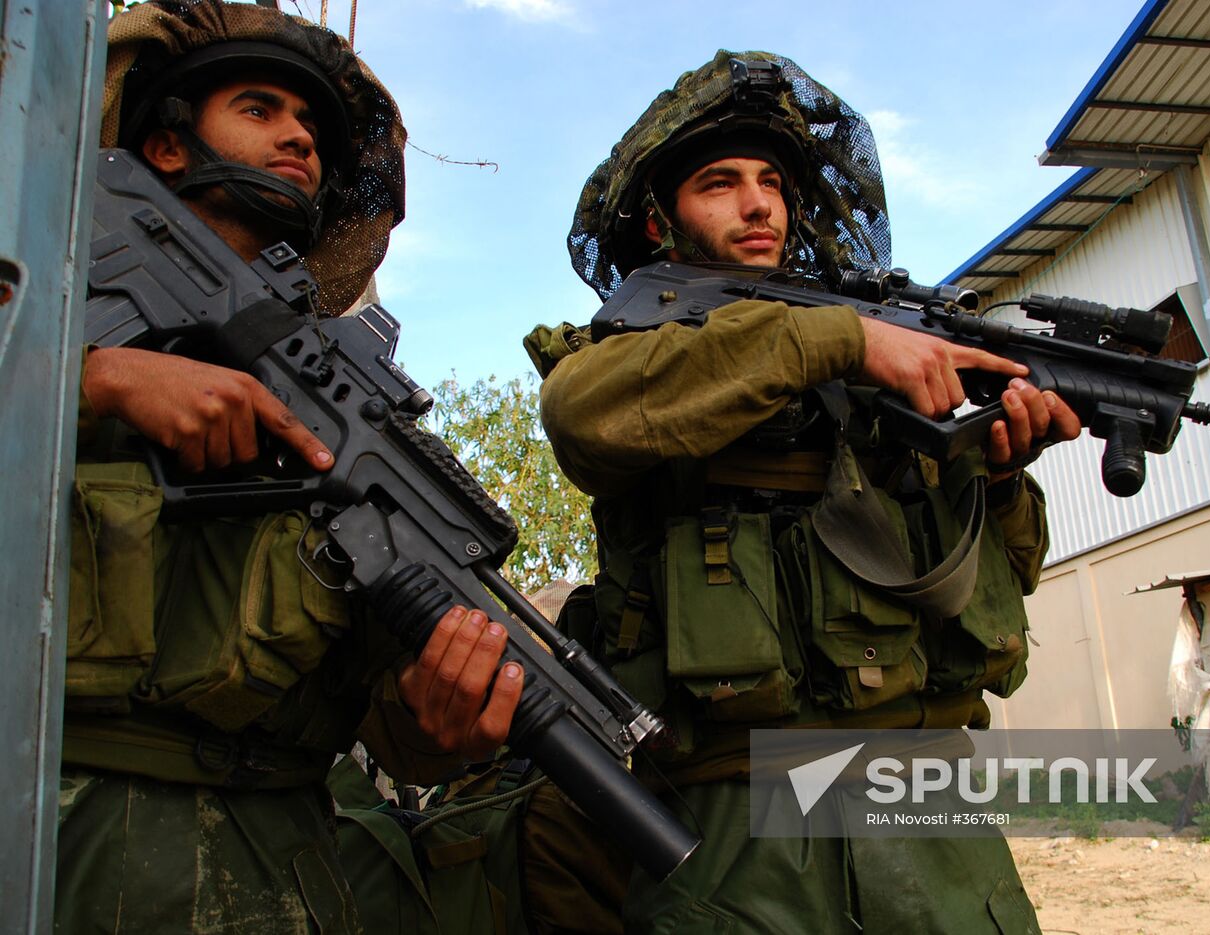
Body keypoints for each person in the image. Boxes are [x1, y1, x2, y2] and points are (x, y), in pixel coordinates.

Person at [525, 50, 1080, 933]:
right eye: (719, 183)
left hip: (926, 815)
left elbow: (1010, 570)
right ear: (662, 223)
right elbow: (583, 414)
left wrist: (1001, 469)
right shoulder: (649, 358)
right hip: (741, 829)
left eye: (773, 183)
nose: (758, 205)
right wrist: (838, 340)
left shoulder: (883, 374)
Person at [59, 3, 518, 931]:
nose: (299, 137)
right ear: (166, 145)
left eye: (311, 128)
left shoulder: (350, 408)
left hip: (283, 867)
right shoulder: (47, 290)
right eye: (261, 109)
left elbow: (381, 714)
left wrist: (438, 721)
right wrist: (91, 378)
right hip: (55, 829)